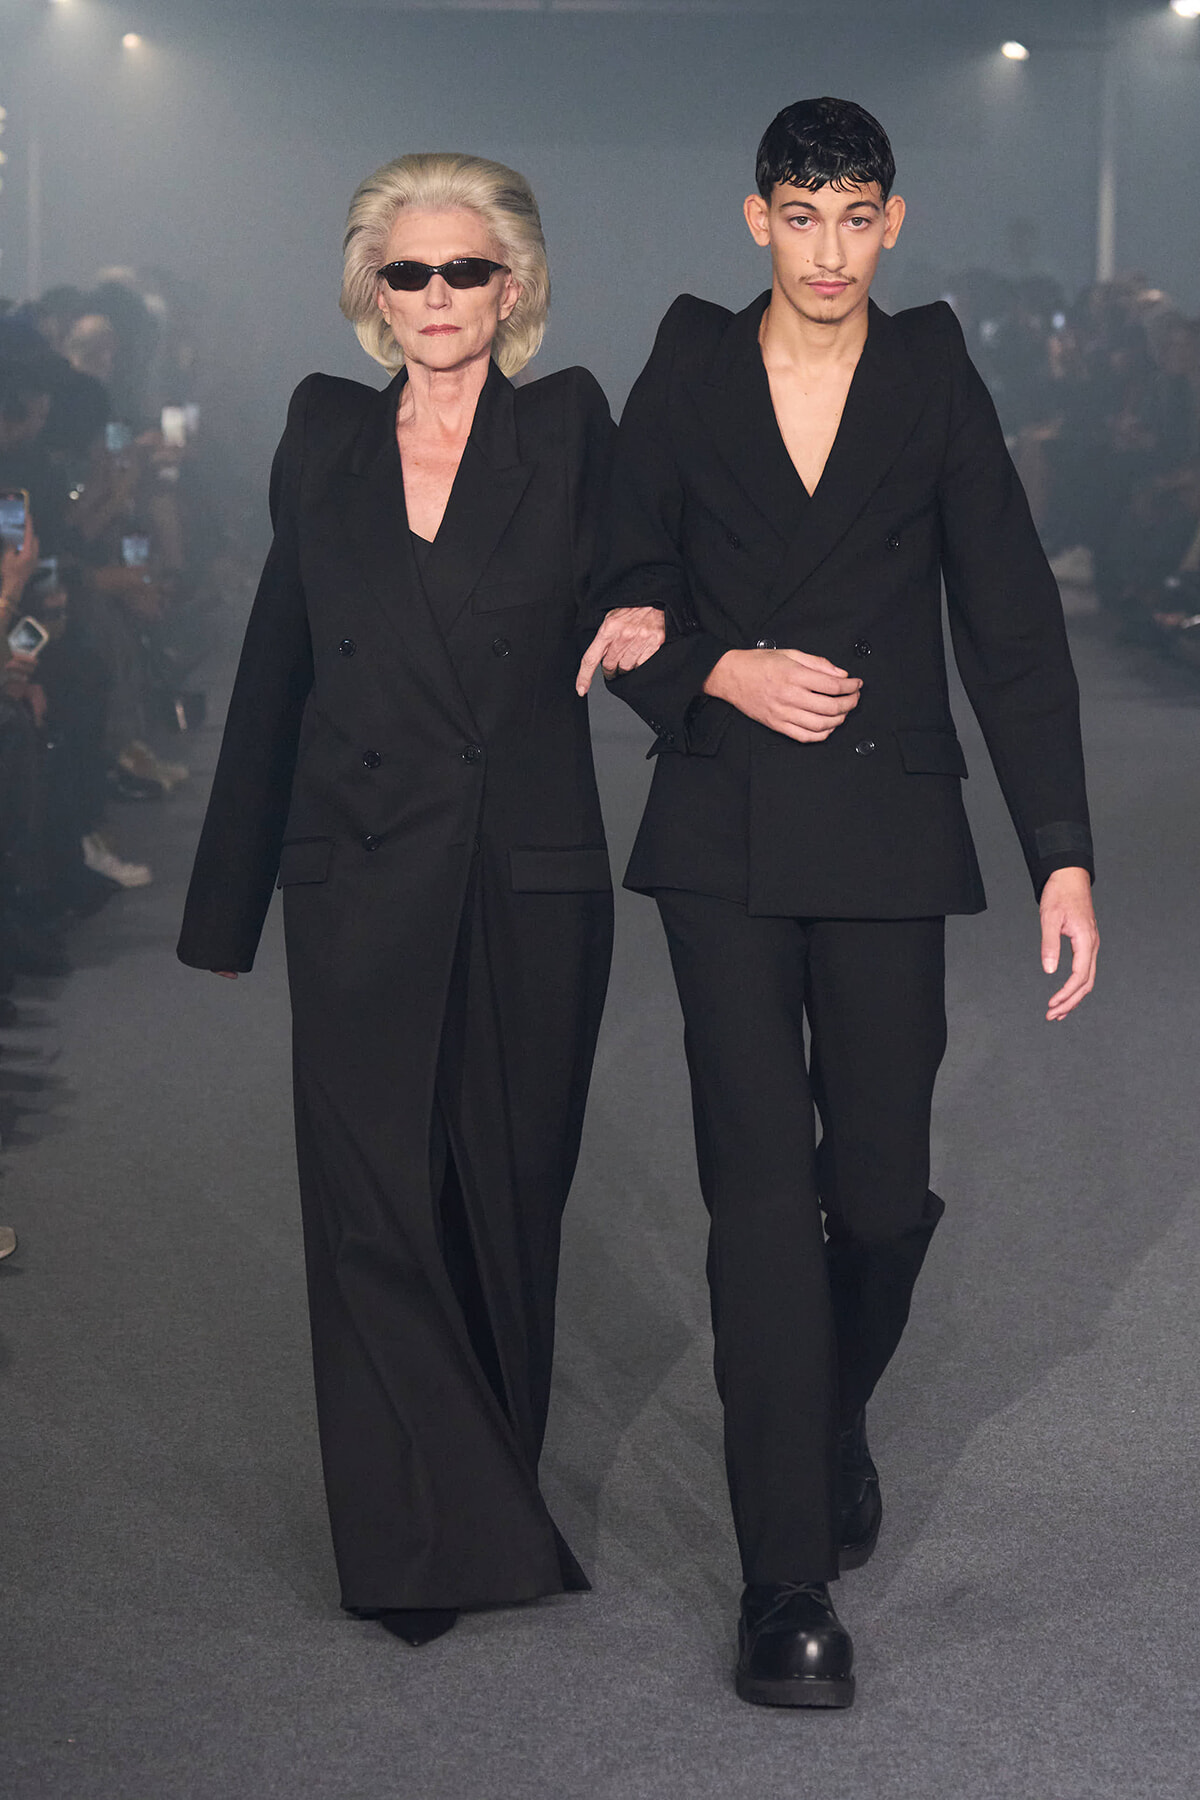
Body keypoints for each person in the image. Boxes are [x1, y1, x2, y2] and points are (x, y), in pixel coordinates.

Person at [579, 97, 1099, 1709]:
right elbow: (618, 572)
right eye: (799, 216)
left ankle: (821, 1415)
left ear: (893, 222)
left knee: (875, 1200)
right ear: (758, 220)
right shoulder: (689, 361)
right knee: (758, 1204)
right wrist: (712, 667)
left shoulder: (932, 368)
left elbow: (1008, 616)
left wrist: (1063, 848)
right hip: (725, 835)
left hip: (886, 830)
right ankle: (784, 1582)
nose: (827, 247)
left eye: (854, 215)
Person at [178, 153, 661, 1647]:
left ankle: (482, 1478)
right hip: (359, 871)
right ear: (370, 292)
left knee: (504, 1204)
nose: (438, 295)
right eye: (409, 271)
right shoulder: (322, 432)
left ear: (512, 288)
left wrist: (654, 615)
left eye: (467, 270)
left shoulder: (567, 425)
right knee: (372, 1207)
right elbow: (279, 656)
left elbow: (640, 571)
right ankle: (414, 1537)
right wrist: (227, 902)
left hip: (527, 878)